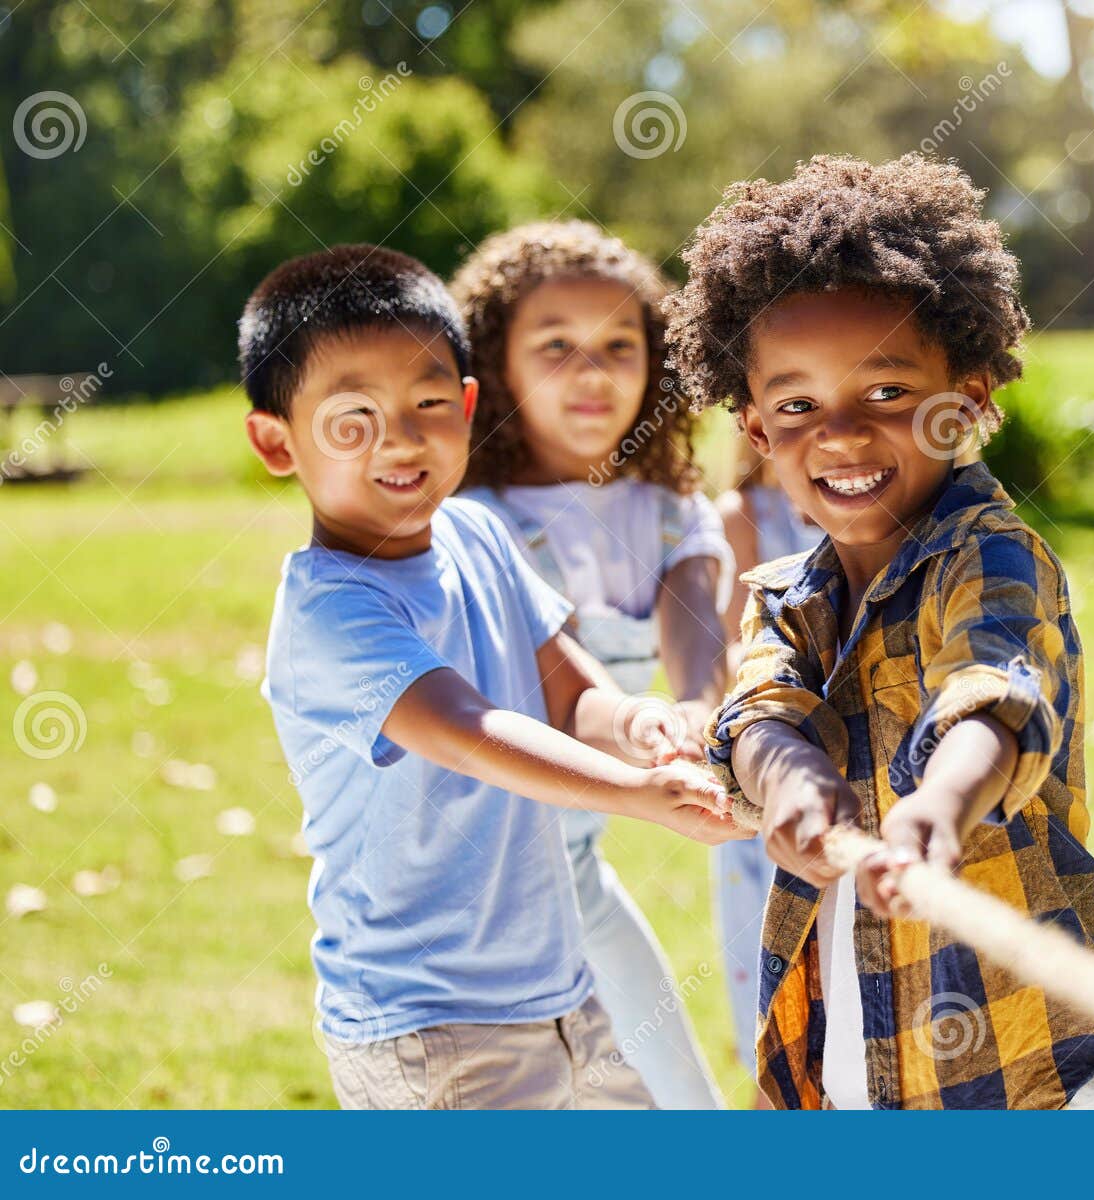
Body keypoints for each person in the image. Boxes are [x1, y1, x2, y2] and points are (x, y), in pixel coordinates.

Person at [666, 154, 1094, 1110]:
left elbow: (995, 689)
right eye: (798, 406)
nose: (844, 435)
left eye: (888, 394)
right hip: (861, 1052)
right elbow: (757, 710)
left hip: (1036, 1069)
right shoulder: (782, 595)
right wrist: (787, 775)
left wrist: (939, 804)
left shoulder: (991, 553)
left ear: (970, 399)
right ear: (757, 431)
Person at [242, 243, 741, 1109]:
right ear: (275, 441)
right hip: (428, 1025)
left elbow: (566, 685)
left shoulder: (478, 538)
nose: (399, 438)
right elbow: (470, 731)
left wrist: (636, 723)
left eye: (429, 403)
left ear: (468, 408)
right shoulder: (331, 612)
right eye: (350, 417)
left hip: (556, 987)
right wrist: (632, 792)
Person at [451, 221, 730, 1108]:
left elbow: (697, 638)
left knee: (679, 1099)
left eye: (619, 344)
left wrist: (691, 709)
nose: (593, 372)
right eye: (556, 347)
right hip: (461, 901)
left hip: (574, 880)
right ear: (496, 367)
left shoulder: (667, 513)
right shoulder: (463, 515)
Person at [714, 436, 821, 1092]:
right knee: (777, 1030)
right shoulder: (743, 514)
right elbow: (731, 655)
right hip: (773, 783)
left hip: (857, 790)